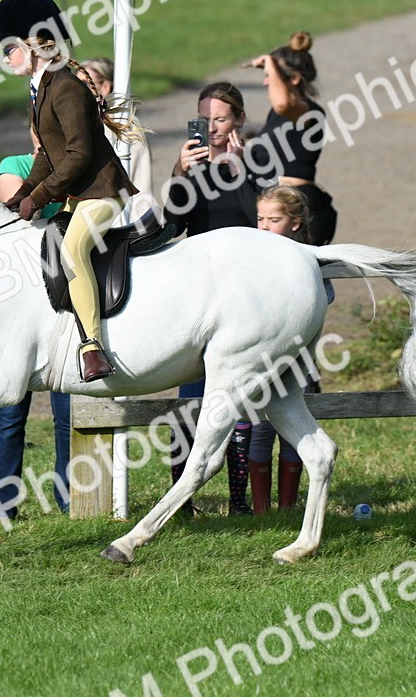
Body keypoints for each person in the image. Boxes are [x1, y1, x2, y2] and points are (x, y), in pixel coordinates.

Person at [0, 0, 140, 383]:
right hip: (79, 194)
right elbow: (46, 157)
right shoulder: (42, 88)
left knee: (71, 251)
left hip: (103, 192)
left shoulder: (66, 87)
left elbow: (77, 156)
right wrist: (22, 195)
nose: (4, 58)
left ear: (30, 45)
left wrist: (39, 196)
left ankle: (92, 347)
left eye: (7, 49)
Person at [164, 82, 257, 516]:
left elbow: (257, 219)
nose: (213, 128)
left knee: (240, 399)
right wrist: (181, 174)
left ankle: (241, 500)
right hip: (198, 293)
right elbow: (172, 223)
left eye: (220, 119)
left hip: (243, 290)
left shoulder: (256, 162)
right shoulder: (192, 164)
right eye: (205, 119)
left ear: (238, 120)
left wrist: (238, 168)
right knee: (191, 396)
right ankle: (180, 499)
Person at [0, 154, 72, 521]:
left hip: (64, 303)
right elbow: (22, 212)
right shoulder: (13, 165)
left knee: (69, 414)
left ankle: (73, 502)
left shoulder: (79, 165)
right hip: (17, 308)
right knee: (9, 414)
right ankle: (0, 509)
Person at [248, 186, 322, 513]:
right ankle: (262, 511)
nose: (264, 226)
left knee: (295, 432)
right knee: (261, 430)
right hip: (261, 359)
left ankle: (288, 508)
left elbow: (324, 299)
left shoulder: (310, 259)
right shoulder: (252, 258)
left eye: (274, 219)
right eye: (260, 218)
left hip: (299, 359)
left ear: (294, 223)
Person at [244, 31, 338, 246]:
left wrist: (269, 62)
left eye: (271, 76)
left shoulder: (310, 112)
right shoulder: (275, 115)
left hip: (295, 206)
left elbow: (283, 103)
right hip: (274, 205)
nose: (266, 82)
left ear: (294, 79)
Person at [79, 57, 156, 223]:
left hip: (122, 217)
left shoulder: (123, 123)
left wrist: (139, 223)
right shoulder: (82, 121)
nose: (77, 90)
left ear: (105, 87)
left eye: (84, 84)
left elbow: (140, 179)